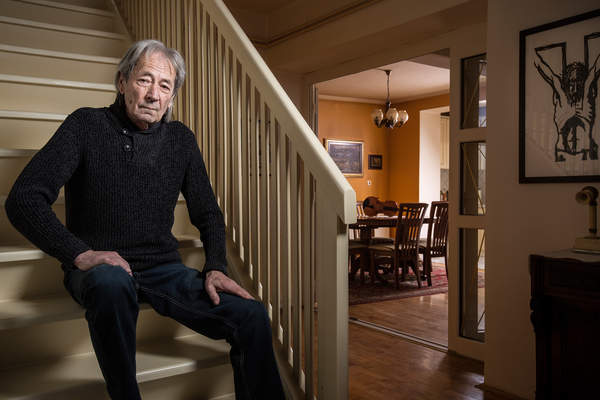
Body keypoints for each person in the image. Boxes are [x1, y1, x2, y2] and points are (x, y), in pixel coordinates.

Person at [5, 39, 285, 400]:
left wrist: (216, 266)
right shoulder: (85, 125)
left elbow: (208, 214)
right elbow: (24, 199)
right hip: (100, 271)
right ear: (122, 82)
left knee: (251, 315)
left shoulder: (181, 140)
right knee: (109, 282)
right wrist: (80, 254)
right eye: (144, 80)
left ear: (171, 98)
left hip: (162, 270)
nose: (154, 94)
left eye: (165, 86)